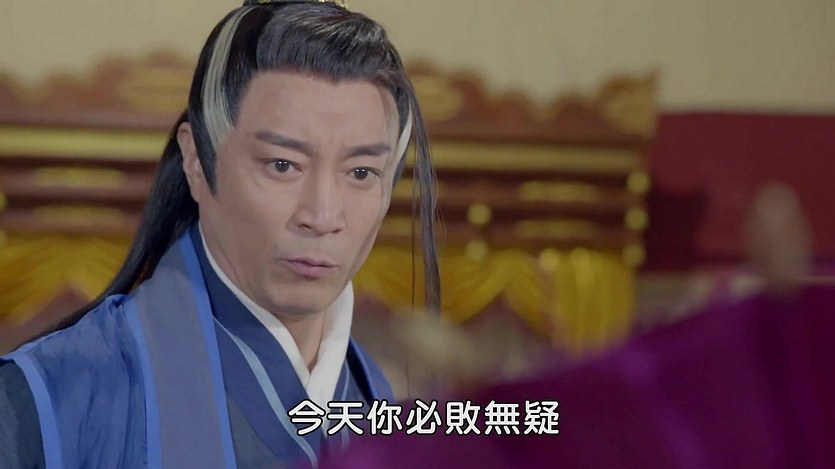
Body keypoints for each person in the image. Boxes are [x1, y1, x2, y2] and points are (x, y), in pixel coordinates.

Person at [0, 1, 439, 467]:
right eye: (282, 165)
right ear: (196, 160)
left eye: (362, 173)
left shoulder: (385, 407)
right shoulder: (47, 401)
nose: (322, 215)